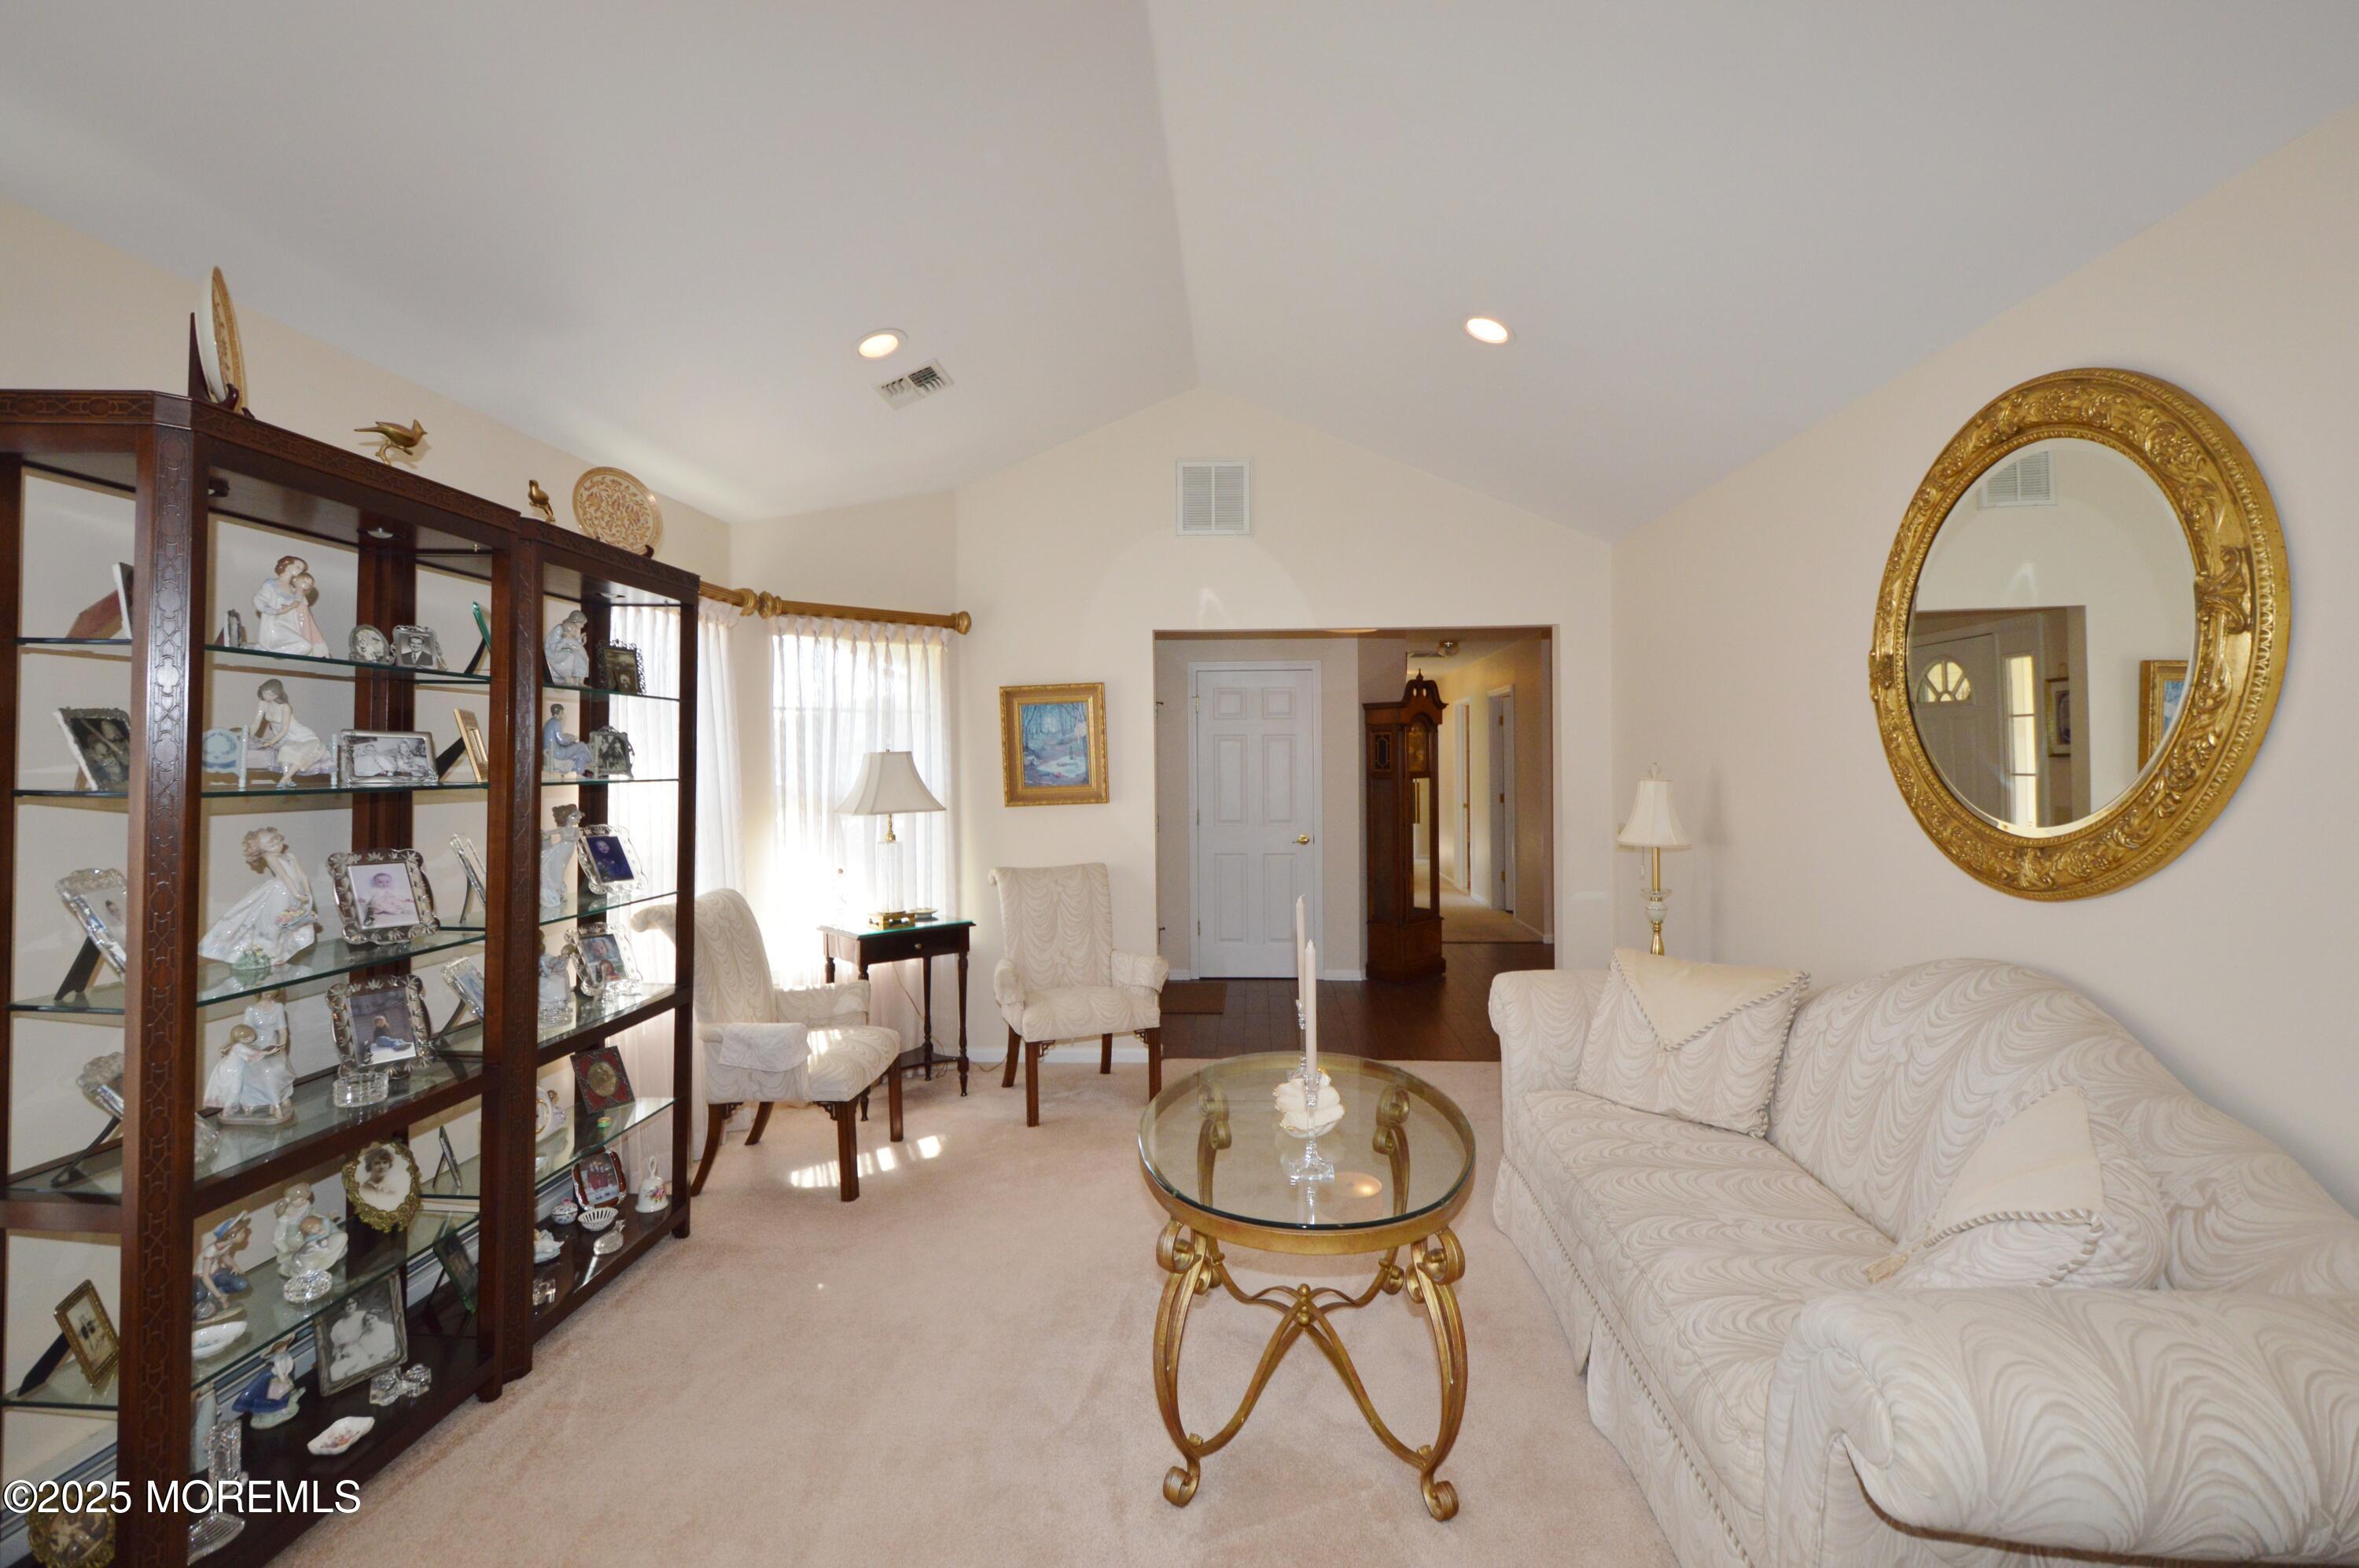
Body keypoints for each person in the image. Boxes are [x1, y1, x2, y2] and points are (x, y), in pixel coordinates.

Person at [197, 826, 320, 968]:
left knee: (291, 921)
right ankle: (268, 953)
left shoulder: (290, 856)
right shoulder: (270, 857)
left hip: (294, 891)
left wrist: (306, 891)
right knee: (275, 922)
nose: (276, 845)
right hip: (281, 891)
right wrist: (297, 893)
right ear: (261, 848)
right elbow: (284, 876)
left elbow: (302, 875)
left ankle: (280, 951)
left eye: (276, 841)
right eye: (270, 844)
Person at [249, 679, 329, 786]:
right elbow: (256, 723)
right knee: (285, 751)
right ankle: (288, 780)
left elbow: (285, 729)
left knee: (298, 752)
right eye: (264, 693)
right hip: (285, 738)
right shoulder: (262, 704)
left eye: (270, 694)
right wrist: (248, 736)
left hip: (300, 735)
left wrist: (271, 742)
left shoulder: (285, 707)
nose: (266, 696)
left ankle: (284, 779)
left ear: (278, 694)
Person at [253, 555, 329, 657]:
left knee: (306, 647)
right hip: (276, 626)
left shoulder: (294, 590)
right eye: (298, 567)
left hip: (292, 626)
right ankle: (266, 651)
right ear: (287, 566)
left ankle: (267, 652)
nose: (300, 571)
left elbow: (303, 612)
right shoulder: (272, 584)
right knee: (304, 646)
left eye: (301, 569)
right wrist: (274, 611)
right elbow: (259, 600)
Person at [541, 703, 594, 775]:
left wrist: (568, 737)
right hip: (557, 753)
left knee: (582, 756)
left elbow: (557, 737)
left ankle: (579, 774)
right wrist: (572, 739)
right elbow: (562, 741)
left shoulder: (549, 722)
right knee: (582, 745)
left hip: (550, 752)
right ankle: (592, 762)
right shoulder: (557, 722)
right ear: (559, 712)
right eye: (562, 712)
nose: (563, 715)